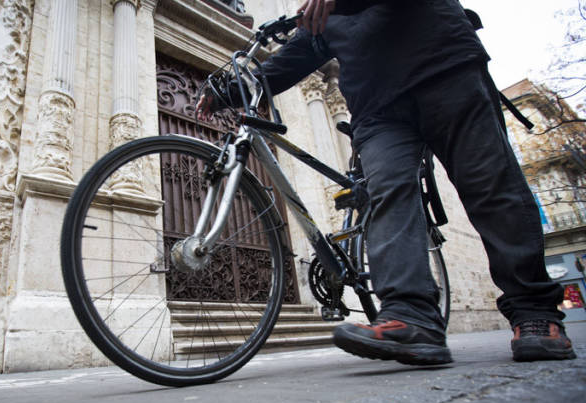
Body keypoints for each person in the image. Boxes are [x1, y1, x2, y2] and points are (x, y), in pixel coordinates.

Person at [196, 0, 577, 365]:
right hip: (376, 108)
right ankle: (412, 319)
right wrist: (226, 92)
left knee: (491, 187)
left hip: (444, 68)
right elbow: (294, 57)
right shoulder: (324, 15)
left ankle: (534, 312)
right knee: (385, 196)